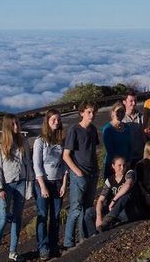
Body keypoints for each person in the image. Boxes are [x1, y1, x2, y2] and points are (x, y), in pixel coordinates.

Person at [0, 114, 32, 262]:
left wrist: (29, 183)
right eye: (13, 124)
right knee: (1, 221)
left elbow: (27, 163)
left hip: (21, 182)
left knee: (17, 218)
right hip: (6, 185)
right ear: (7, 126)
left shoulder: (23, 141)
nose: (16, 127)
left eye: (17, 124)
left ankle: (13, 251)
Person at [63, 101, 100, 250]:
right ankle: (68, 242)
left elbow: (92, 151)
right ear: (82, 113)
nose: (92, 115)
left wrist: (96, 169)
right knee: (76, 209)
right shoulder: (74, 130)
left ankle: (83, 238)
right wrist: (77, 172)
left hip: (92, 173)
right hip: (79, 174)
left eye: (93, 112)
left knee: (87, 207)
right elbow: (66, 155)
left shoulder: (92, 130)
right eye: (89, 112)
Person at [32, 109, 67, 261]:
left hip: (58, 181)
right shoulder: (40, 141)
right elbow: (36, 165)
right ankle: (43, 247)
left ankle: (53, 245)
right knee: (43, 215)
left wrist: (65, 183)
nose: (56, 122)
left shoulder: (61, 140)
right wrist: (42, 186)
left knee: (56, 215)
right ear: (47, 121)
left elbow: (65, 163)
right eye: (53, 119)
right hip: (43, 182)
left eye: (58, 119)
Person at [92, 157, 139, 233]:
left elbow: (128, 185)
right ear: (113, 166)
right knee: (89, 212)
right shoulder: (109, 181)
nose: (122, 168)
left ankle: (107, 221)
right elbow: (100, 200)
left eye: (124, 165)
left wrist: (113, 200)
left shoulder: (130, 173)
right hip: (115, 211)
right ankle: (94, 233)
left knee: (125, 196)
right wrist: (98, 217)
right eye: (119, 165)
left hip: (130, 210)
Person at [101, 102, 132, 181]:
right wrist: (117, 166)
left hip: (125, 164)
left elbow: (129, 146)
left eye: (122, 112)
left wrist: (128, 161)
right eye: (118, 111)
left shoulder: (127, 128)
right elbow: (110, 149)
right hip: (113, 165)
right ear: (112, 113)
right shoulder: (108, 129)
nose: (120, 114)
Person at [122, 94, 145, 166]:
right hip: (126, 158)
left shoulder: (142, 117)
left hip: (140, 156)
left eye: (135, 101)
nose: (134, 103)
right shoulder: (120, 118)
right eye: (131, 101)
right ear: (124, 102)